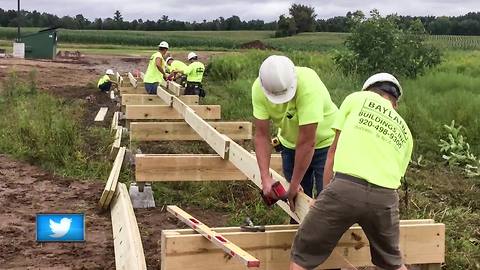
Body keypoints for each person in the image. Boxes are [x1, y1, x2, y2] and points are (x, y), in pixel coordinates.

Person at [289, 73, 413, 270]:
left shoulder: (356, 99)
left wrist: (323, 197)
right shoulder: (406, 132)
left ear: (368, 91)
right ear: (394, 104)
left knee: (303, 254)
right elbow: (395, 178)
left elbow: (333, 151)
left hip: (345, 188)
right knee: (393, 262)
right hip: (385, 198)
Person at [252, 55, 338, 209]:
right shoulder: (259, 88)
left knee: (327, 202)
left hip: (325, 143)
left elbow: (307, 141)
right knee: (297, 203)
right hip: (290, 144)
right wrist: (265, 177)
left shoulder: (308, 85)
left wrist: (294, 184)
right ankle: (298, 229)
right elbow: (261, 135)